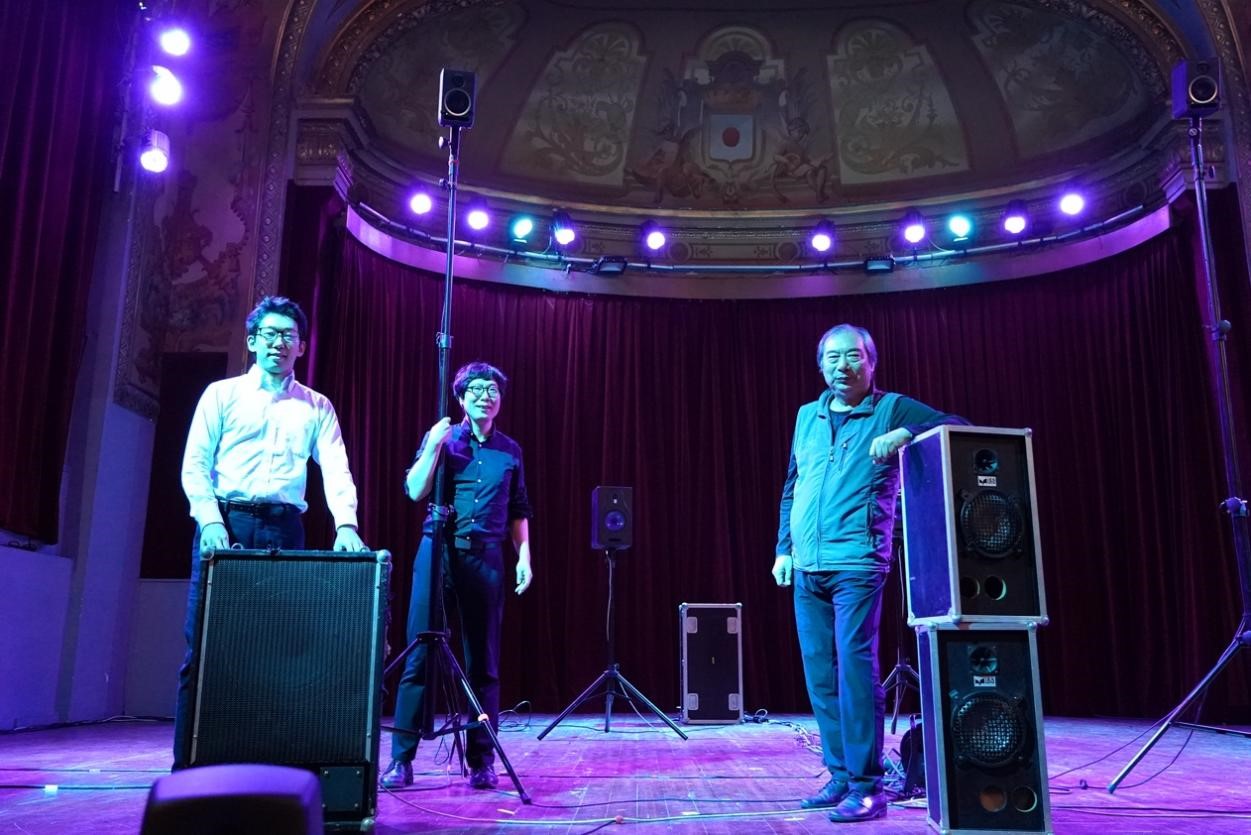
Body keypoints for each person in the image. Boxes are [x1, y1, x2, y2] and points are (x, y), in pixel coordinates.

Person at [773, 324, 964, 823]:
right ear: (821, 365)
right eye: (833, 357)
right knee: (821, 674)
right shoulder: (806, 416)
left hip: (857, 562)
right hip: (807, 565)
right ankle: (840, 774)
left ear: (871, 362)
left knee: (855, 671)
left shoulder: (890, 408)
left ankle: (867, 785)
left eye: (854, 356)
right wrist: (783, 549)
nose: (843, 366)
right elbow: (793, 486)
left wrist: (909, 433)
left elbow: (957, 424)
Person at [174, 295, 366, 770]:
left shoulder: (316, 406)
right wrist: (211, 521)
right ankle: (188, 768)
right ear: (252, 340)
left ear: (302, 346)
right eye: (270, 334)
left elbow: (336, 469)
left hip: (284, 530)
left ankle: (266, 767)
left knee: (277, 651)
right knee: (206, 648)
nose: (279, 343)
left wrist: (346, 524)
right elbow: (195, 464)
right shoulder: (221, 394)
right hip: (226, 525)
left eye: (289, 336)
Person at [381, 361, 534, 791]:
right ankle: (402, 760)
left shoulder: (510, 450)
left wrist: (524, 557)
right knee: (420, 653)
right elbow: (415, 490)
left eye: (493, 390)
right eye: (478, 389)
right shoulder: (444, 439)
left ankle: (482, 760)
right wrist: (432, 445)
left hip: (486, 558)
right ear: (461, 397)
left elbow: (519, 510)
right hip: (438, 552)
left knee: (483, 662)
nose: (487, 396)